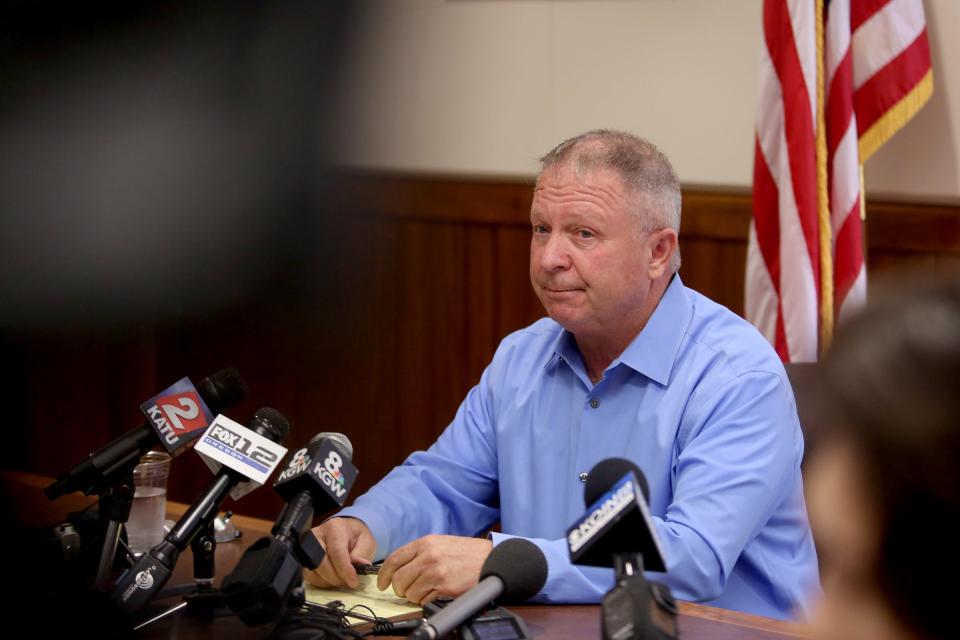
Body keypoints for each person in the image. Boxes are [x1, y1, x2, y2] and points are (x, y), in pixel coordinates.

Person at [307, 130, 820, 620]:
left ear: (658, 252)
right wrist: (364, 523)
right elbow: (443, 486)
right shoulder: (520, 358)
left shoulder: (737, 377)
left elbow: (693, 556)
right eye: (540, 229)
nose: (551, 258)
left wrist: (506, 563)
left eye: (584, 234)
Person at [803, 275, 960, 640]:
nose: (817, 627)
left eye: (860, 586)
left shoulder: (732, 371)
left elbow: (699, 559)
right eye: (830, 567)